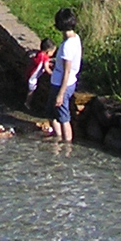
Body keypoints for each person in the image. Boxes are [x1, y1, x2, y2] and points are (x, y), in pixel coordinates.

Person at [44, 8, 82, 143]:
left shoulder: (67, 46)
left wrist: (61, 93)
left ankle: (66, 144)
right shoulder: (76, 38)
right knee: (52, 114)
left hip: (61, 84)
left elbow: (67, 70)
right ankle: (57, 139)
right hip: (66, 81)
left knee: (63, 117)